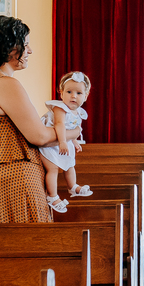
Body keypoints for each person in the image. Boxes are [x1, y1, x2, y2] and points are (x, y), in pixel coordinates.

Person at [0, 15, 80, 224]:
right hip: (16, 177)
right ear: (11, 47)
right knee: (28, 244)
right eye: (26, 44)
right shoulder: (6, 84)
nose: (30, 51)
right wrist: (75, 132)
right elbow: (39, 136)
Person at [39, 71, 93, 212]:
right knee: (53, 169)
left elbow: (72, 128)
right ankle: (52, 196)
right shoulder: (59, 108)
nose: (73, 96)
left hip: (63, 141)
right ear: (61, 93)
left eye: (79, 93)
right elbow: (60, 125)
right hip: (50, 144)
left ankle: (73, 187)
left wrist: (74, 141)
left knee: (70, 165)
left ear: (86, 96)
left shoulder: (78, 112)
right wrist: (63, 141)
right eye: (69, 92)